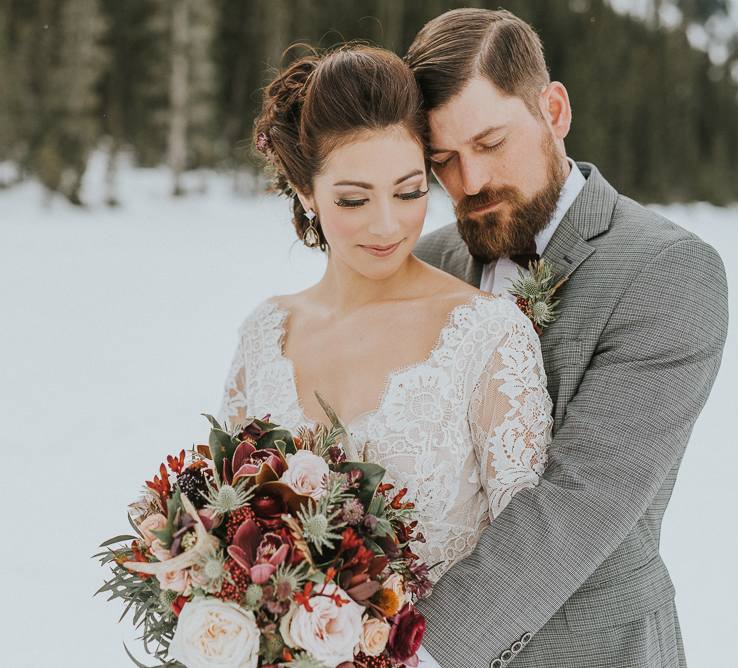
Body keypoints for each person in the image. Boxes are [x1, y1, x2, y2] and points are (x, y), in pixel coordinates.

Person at [405, 9, 728, 668]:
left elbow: (579, 502)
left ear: (554, 109)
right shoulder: (429, 260)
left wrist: (407, 652)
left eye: (491, 142)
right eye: (444, 160)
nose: (469, 183)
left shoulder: (668, 270)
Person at [219, 43, 553, 631]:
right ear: (306, 193)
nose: (387, 225)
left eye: (409, 191)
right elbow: (226, 535)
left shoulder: (487, 335)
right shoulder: (264, 335)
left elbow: (527, 567)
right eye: (353, 199)